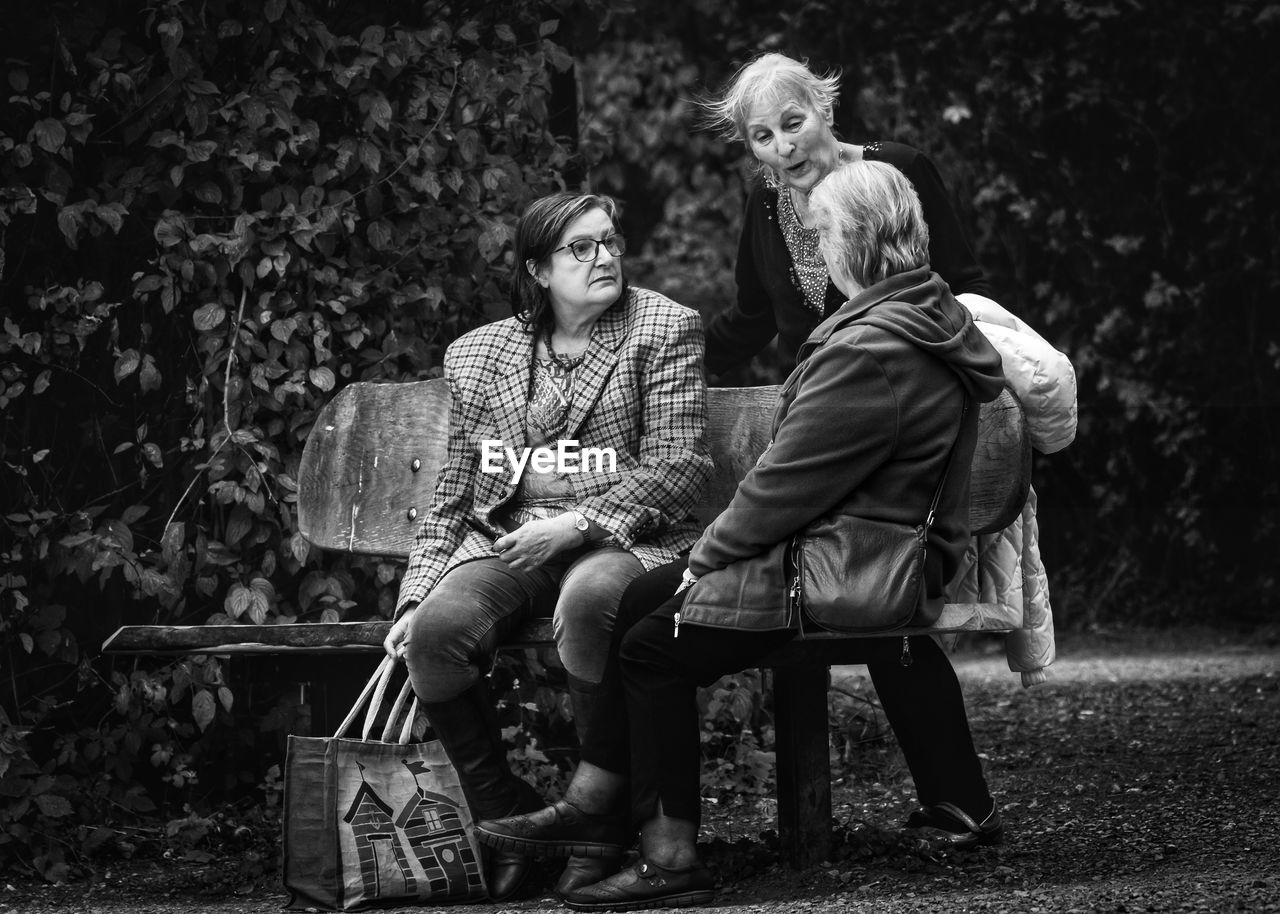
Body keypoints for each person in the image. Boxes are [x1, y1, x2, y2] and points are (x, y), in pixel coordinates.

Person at [477, 159, 1007, 910]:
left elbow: (786, 483)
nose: (815, 251)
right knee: (636, 600)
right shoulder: (921, 314)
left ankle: (669, 858)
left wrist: (708, 558)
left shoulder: (871, 351)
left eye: (821, 233)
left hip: (837, 569)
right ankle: (600, 804)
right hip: (851, 551)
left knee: (650, 648)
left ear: (856, 240)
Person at [383, 191, 713, 901]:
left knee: (593, 598)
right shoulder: (480, 355)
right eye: (581, 248)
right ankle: (505, 820)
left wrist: (581, 522)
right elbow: (454, 490)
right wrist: (415, 594)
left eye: (610, 241)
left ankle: (598, 817)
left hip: (625, 539)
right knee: (434, 635)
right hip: (509, 543)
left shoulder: (662, 326)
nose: (605, 258)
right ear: (538, 270)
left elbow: (679, 468)